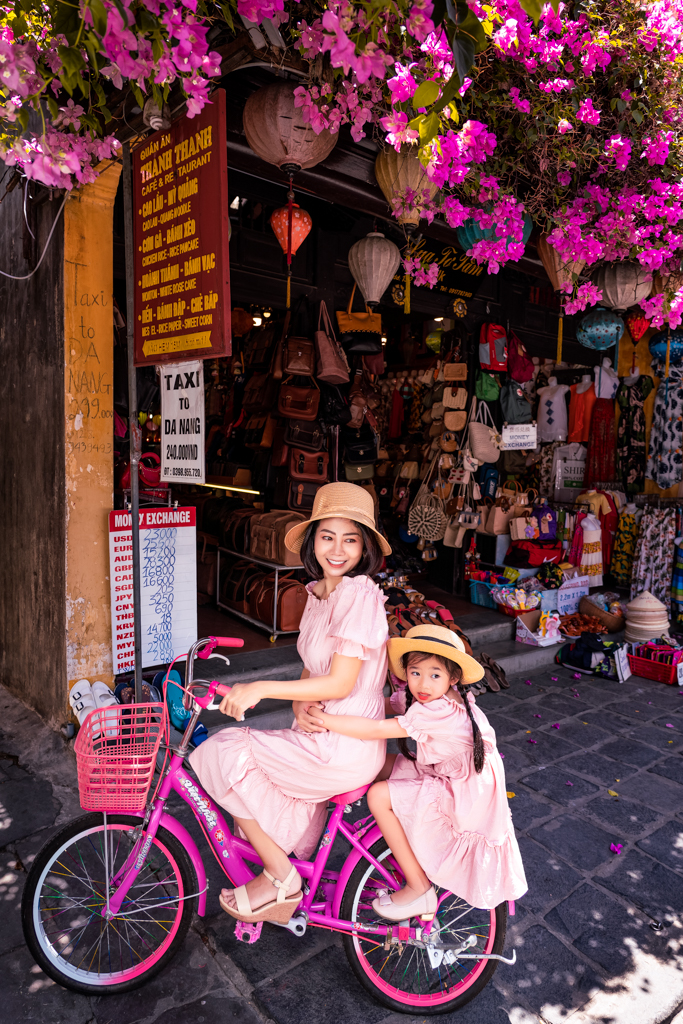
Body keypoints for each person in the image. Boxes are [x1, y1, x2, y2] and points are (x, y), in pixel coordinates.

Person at [189, 483, 391, 925]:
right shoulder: (320, 593)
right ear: (312, 540)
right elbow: (313, 669)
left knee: (224, 750)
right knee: (242, 764)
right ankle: (279, 876)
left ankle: (281, 879)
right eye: (327, 537)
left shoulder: (358, 595)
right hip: (320, 731)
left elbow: (339, 682)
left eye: (350, 539)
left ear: (365, 547)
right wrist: (299, 707)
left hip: (345, 743)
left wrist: (260, 687)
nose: (337, 550)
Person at [308, 624, 527, 920]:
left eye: (434, 675)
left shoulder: (438, 712)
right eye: (415, 673)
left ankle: (418, 887)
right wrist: (341, 704)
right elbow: (382, 706)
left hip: (463, 797)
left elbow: (376, 728)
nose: (423, 683)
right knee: (376, 763)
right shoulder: (428, 697)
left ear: (453, 678)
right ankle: (398, 834)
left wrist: (324, 720)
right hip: (450, 775)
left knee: (378, 796)